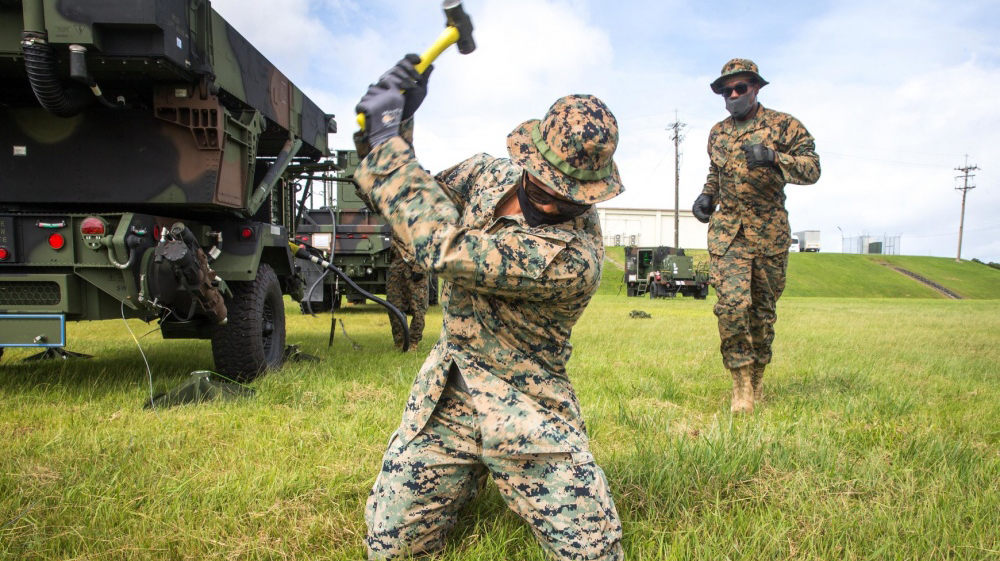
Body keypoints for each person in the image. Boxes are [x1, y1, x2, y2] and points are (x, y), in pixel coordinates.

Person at [352, 54, 624, 560]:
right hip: (449, 391)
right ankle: (465, 472)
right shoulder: (486, 174)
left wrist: (385, 144)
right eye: (541, 182)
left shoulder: (573, 259)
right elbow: (413, 203)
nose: (548, 202)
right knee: (389, 550)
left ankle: (491, 468)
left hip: (528, 404)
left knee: (593, 555)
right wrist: (397, 122)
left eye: (565, 196)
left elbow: (442, 247)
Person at [692, 58, 820, 413]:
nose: (733, 95)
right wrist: (707, 196)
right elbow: (715, 174)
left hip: (769, 231)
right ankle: (741, 387)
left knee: (762, 313)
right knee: (732, 307)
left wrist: (775, 158)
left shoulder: (784, 125)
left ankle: (758, 379)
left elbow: (813, 169)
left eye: (740, 88)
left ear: (756, 88)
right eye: (726, 91)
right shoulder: (717, 133)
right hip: (728, 233)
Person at [385, 233, 428, 351]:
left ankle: (413, 342)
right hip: (397, 265)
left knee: (418, 307)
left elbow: (429, 239)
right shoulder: (397, 218)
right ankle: (400, 342)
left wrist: (420, 267)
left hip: (415, 266)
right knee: (393, 305)